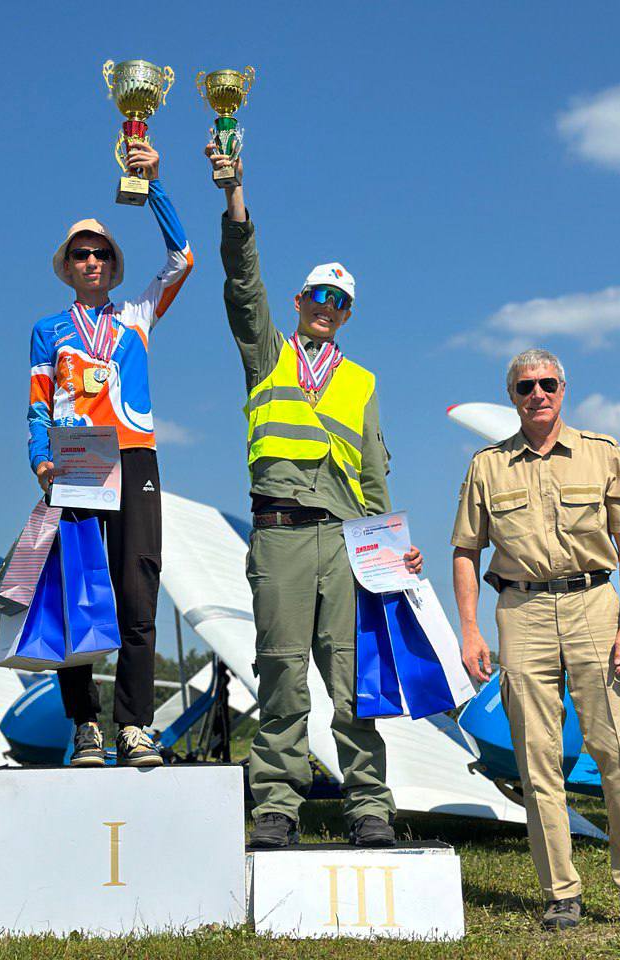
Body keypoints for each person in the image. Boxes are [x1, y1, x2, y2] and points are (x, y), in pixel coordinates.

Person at [207, 146, 422, 848]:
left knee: (353, 679)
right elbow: (243, 288)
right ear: (299, 303)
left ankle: (369, 808)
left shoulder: (361, 381)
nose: (327, 308)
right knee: (281, 675)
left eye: (341, 302)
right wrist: (236, 197)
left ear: (348, 314)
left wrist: (394, 557)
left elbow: (375, 477)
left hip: (348, 544)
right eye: (317, 297)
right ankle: (276, 805)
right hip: (279, 536)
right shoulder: (267, 352)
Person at [451, 348, 620, 930]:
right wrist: (470, 630)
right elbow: (466, 551)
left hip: (596, 607)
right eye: (525, 387)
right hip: (519, 612)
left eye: (547, 383)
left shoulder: (602, 454)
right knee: (537, 759)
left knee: (619, 750)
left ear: (563, 389)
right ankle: (561, 894)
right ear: (512, 397)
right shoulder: (486, 466)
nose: (538, 394)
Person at [28, 142, 192, 768]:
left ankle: (135, 726)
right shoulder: (49, 329)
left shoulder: (136, 314)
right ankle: (86, 728)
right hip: (73, 462)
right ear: (66, 267)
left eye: (100, 252)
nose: (90, 259)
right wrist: (41, 460)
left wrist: (152, 185)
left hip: (135, 457)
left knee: (136, 591)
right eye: (80, 253)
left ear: (113, 265)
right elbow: (37, 403)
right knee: (78, 595)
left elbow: (182, 257)